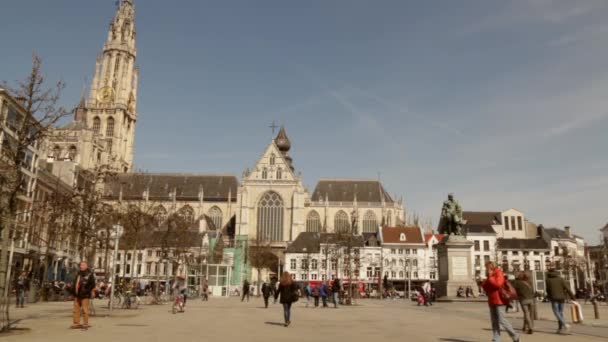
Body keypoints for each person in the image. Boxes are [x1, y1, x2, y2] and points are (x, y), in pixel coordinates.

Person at [481, 261, 520, 342]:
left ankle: (515, 336)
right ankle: (496, 338)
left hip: (500, 300)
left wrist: (491, 277)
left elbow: (498, 284)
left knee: (502, 320)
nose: (486, 269)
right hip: (492, 300)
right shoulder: (490, 275)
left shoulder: (499, 273)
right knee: (494, 321)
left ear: (491, 267)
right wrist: (483, 282)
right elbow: (486, 289)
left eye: (487, 267)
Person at [546, 266, 575, 335]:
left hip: (554, 298)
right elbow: (567, 288)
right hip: (562, 298)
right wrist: (573, 297)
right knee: (561, 312)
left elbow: (548, 290)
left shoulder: (548, 280)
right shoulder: (561, 279)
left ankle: (565, 324)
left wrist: (549, 297)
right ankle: (560, 328)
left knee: (556, 312)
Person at [71, 261, 96, 330]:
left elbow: (92, 284)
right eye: (81, 265)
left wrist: (87, 291)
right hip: (77, 294)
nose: (81, 266)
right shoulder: (78, 273)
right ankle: (76, 323)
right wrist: (73, 291)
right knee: (76, 310)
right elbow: (75, 283)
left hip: (85, 295)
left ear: (86, 266)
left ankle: (85, 324)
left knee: (85, 310)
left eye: (83, 265)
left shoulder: (90, 274)